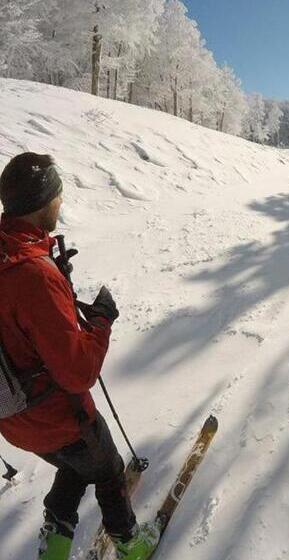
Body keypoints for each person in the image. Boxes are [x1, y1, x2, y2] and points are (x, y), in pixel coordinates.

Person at [0, 153, 158, 560]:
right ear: (42, 202)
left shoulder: (10, 253)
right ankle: (131, 544)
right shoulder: (33, 274)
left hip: (13, 418)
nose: (61, 202)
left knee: (73, 465)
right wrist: (101, 321)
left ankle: (54, 544)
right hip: (61, 416)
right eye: (58, 195)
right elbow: (78, 373)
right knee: (105, 469)